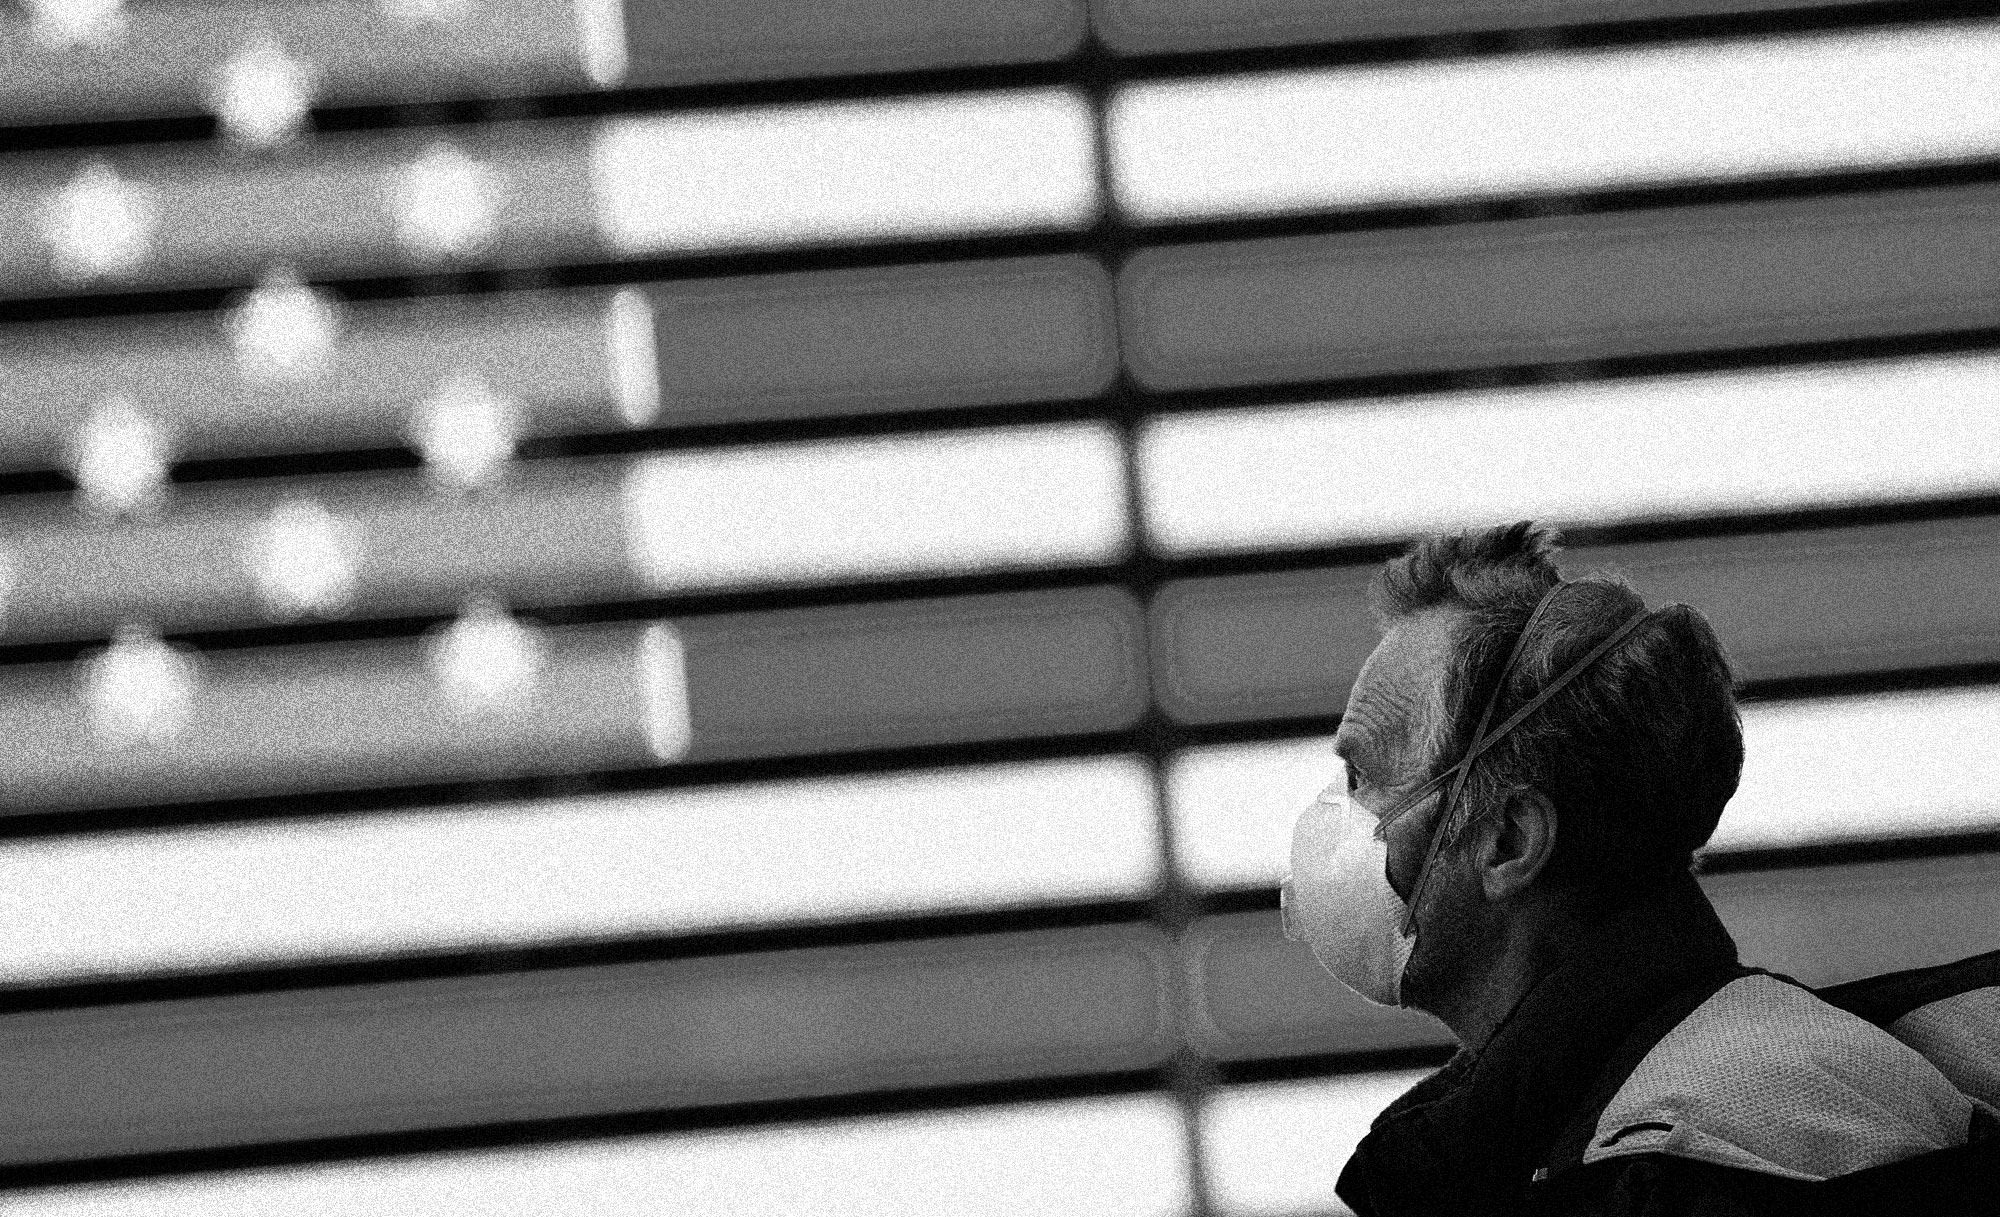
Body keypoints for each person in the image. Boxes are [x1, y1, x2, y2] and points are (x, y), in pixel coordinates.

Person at [1279, 522, 1998, 1216]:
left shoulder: (1677, 1169)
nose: (1329, 816)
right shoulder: (1597, 1135)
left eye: (1364, 775)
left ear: (1507, 841)